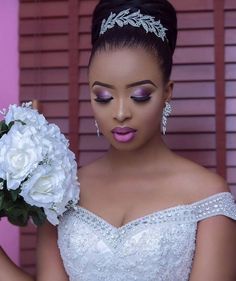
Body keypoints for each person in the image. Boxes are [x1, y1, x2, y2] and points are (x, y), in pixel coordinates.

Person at [1, 0, 236, 280]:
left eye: (139, 96)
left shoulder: (207, 194)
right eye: (104, 97)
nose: (121, 113)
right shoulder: (60, 190)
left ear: (167, 92)